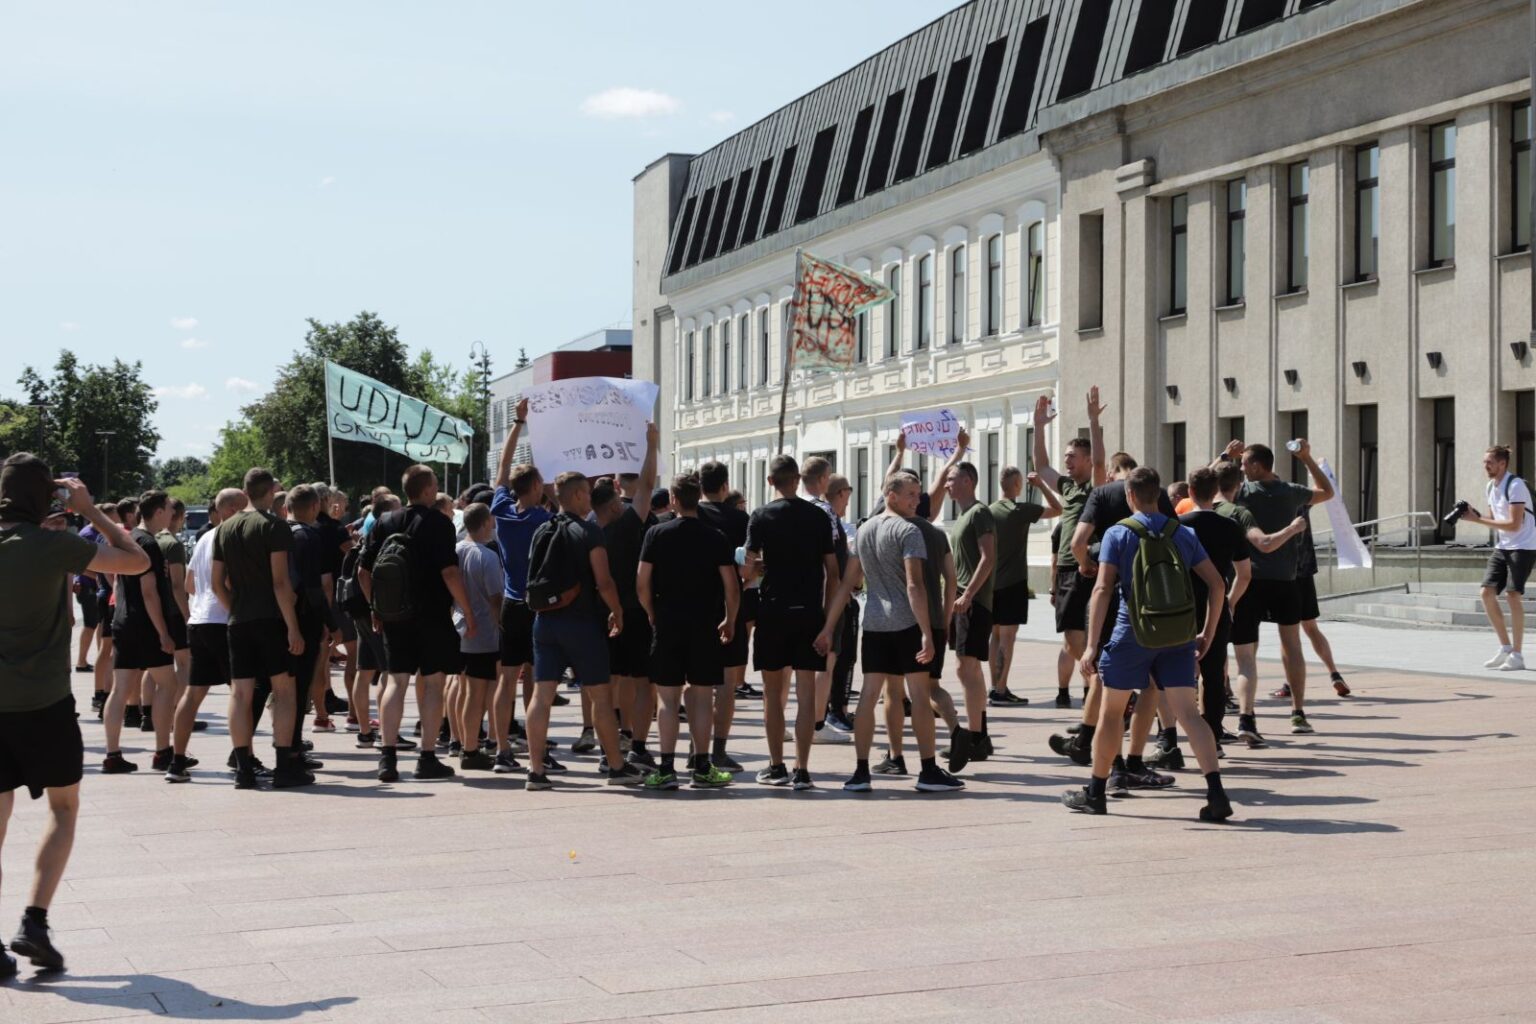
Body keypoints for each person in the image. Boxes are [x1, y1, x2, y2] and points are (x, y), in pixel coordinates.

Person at [0, 459, 149, 975]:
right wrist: (91, 511)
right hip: (45, 702)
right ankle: (34, 922)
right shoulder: (54, 545)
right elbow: (137, 562)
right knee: (63, 809)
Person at [1062, 467, 1232, 821]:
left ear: (1130, 495)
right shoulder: (1182, 532)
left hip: (1132, 633)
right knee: (1188, 713)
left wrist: (1092, 645)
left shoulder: (1118, 533)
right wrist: (1207, 634)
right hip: (1179, 635)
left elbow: (1103, 589)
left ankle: (1095, 792)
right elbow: (1218, 585)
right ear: (1157, 494)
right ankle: (1216, 793)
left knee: (1111, 713)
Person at [818, 473, 963, 793]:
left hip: (874, 624)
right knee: (920, 697)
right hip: (907, 624)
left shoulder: (865, 529)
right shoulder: (909, 531)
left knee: (870, 696)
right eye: (910, 494)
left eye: (917, 494)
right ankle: (927, 771)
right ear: (891, 496)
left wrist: (828, 627)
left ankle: (861, 772)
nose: (917, 500)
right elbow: (915, 585)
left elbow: (847, 583)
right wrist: (927, 631)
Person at [1054, 453, 1177, 779]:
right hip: (1154, 601)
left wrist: (1086, 566)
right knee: (1151, 682)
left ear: (1115, 475)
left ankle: (1103, 754)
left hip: (1111, 597)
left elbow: (1078, 541)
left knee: (1105, 677)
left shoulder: (1102, 494)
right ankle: (1142, 755)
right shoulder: (1158, 495)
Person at [358, 464, 474, 783]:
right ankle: (426, 758)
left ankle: (388, 758)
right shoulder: (440, 523)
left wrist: (375, 608)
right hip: (433, 615)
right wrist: (468, 611)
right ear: (426, 490)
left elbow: (363, 572)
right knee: (433, 683)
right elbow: (450, 573)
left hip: (394, 616)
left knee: (396, 682)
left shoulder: (384, 521)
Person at [524, 471, 633, 790]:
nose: (589, 497)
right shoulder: (589, 532)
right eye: (585, 492)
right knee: (600, 696)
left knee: (542, 696)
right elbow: (604, 581)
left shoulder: (541, 529)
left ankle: (535, 771)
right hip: (581, 623)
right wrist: (617, 611)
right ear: (575, 496)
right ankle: (616, 766)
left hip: (544, 622)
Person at [635, 473, 737, 790]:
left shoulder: (656, 533)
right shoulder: (716, 536)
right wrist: (730, 618)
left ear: (675, 500)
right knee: (703, 695)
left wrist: (652, 612)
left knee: (667, 698)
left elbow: (641, 582)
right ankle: (703, 766)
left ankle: (666, 768)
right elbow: (732, 586)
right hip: (704, 624)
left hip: (668, 622)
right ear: (699, 499)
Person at [744, 455, 839, 790]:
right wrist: (827, 620)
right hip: (809, 612)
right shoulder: (818, 516)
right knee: (806, 692)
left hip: (773, 611)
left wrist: (759, 569)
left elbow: (749, 568)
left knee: (773, 695)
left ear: (771, 481)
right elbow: (833, 571)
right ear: (797, 479)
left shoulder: (761, 516)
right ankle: (802, 769)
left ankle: (776, 765)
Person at [212, 468, 310, 789]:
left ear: (245, 490)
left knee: (240, 694)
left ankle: (243, 769)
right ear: (269, 493)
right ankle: (283, 767)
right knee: (284, 691)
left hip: (238, 621)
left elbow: (217, 584)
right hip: (271, 620)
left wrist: (235, 610)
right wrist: (293, 628)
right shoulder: (274, 526)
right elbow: (281, 583)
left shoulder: (224, 528)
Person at [1231, 440, 1333, 738]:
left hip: (1250, 581)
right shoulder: (1291, 491)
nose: (1241, 468)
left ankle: (1246, 717)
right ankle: (1298, 713)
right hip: (1286, 581)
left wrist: (1224, 456)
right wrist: (1307, 458)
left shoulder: (1244, 492)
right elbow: (1327, 492)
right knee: (1292, 645)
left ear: (1257, 466)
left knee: (1247, 653)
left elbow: (1202, 487)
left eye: (1244, 463)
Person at [1152, 467, 1251, 769]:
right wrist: (1229, 603)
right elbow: (1245, 574)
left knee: (1170, 673)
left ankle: (1167, 737)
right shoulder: (1231, 526)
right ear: (1216, 489)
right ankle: (1213, 737)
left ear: (1189, 493)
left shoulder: (1177, 526)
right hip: (1216, 607)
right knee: (1214, 673)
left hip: (1180, 609)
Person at [165, 488, 247, 782]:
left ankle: (176, 761)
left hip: (198, 621)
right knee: (242, 692)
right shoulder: (232, 536)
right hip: (222, 621)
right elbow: (223, 581)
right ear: (235, 508)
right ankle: (243, 759)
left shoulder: (203, 538)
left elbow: (189, 584)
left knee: (193, 693)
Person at [1033, 390, 1108, 710]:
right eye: (1066, 455)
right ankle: (1094, 686)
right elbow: (1042, 465)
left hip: (1088, 567)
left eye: (1073, 456)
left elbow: (1103, 461)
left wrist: (1093, 420)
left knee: (1087, 638)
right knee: (1071, 640)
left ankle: (1099, 691)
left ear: (1088, 461)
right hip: (1066, 569)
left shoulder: (1096, 485)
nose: (1067, 460)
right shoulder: (1066, 486)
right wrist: (1038, 426)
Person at [926, 433, 995, 773]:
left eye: (952, 479)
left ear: (968, 481)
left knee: (965, 668)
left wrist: (968, 595)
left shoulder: (979, 513)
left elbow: (989, 557)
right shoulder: (965, 514)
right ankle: (980, 734)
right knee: (969, 669)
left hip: (973, 601)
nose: (947, 486)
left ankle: (975, 736)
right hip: (964, 601)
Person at [490, 402, 552, 774]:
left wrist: (518, 423)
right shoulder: (543, 518)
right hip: (537, 603)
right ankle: (535, 750)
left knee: (506, 677)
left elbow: (502, 468)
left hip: (510, 602)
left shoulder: (500, 509)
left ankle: (501, 750)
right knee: (535, 679)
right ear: (536, 487)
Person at [103, 490, 183, 775]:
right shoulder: (148, 543)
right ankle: (163, 751)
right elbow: (150, 592)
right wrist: (164, 632)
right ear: (158, 511)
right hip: (146, 624)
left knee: (120, 689)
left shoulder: (126, 538)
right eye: (169, 510)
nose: (172, 515)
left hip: (123, 621)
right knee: (168, 684)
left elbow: (115, 582)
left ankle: (112, 754)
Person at [600, 425, 660, 771]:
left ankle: (614, 740)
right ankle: (636, 743)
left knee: (609, 680)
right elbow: (649, 485)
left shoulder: (594, 521)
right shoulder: (632, 519)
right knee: (643, 682)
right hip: (637, 609)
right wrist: (651, 444)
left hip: (608, 610)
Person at [696, 461, 751, 773]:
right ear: (725, 486)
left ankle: (696, 749)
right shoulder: (740, 518)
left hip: (696, 607)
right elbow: (750, 564)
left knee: (697, 682)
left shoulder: (693, 515)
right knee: (727, 683)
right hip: (731, 605)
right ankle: (718, 749)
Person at [988, 466, 1060, 705]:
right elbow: (1058, 509)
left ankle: (995, 686)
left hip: (991, 583)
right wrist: (1041, 486)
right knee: (1008, 637)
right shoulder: (1020, 510)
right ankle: (1000, 690)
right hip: (1013, 582)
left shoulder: (988, 512)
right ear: (1018, 485)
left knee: (996, 635)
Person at [1463, 445, 1536, 672]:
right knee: (1486, 592)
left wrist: (1477, 521)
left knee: (1513, 595)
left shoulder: (1516, 486)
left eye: (1489, 462)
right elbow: (1495, 519)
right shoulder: (1491, 486)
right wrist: (1475, 515)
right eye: (1485, 462)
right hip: (1503, 546)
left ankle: (1517, 654)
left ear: (1502, 464)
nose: (1486, 466)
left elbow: (1514, 525)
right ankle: (1505, 647)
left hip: (1523, 546)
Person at [800, 457, 853, 743]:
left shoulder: (791, 509)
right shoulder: (826, 513)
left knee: (792, 668)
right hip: (824, 597)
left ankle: (795, 720)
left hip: (795, 596)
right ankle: (817, 724)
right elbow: (834, 562)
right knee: (825, 662)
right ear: (823, 480)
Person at [1271, 510, 1352, 698]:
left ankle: (1290, 683)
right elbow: (1322, 491)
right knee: (1311, 627)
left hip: (1284, 574)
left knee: (1288, 634)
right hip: (1305, 572)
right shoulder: (1301, 499)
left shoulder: (1270, 499)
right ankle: (1334, 673)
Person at [453, 503, 503, 772]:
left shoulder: (457, 550)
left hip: (461, 628)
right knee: (477, 693)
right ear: (485, 523)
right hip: (483, 631)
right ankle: (472, 748)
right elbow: (496, 598)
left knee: (466, 691)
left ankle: (466, 744)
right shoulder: (486, 556)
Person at [283, 486, 331, 764]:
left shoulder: (278, 533)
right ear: (314, 507)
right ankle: (293, 748)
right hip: (305, 619)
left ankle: (287, 744)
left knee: (285, 688)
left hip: (281, 618)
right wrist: (330, 622)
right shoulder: (309, 536)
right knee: (300, 687)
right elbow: (315, 587)